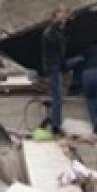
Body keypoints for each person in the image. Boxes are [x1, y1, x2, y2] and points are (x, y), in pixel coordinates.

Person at [41, 7, 72, 136]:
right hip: (53, 67)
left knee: (80, 60)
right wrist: (58, 23)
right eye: (61, 17)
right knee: (57, 97)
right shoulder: (50, 32)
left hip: (58, 66)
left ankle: (56, 123)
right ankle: (55, 126)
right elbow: (54, 41)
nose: (63, 19)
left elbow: (62, 46)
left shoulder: (59, 32)